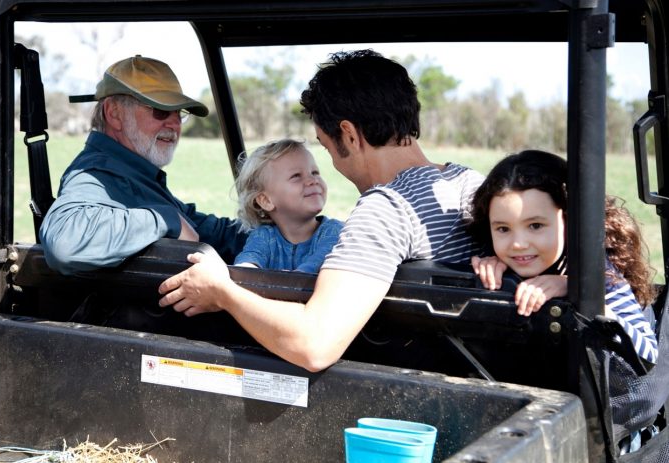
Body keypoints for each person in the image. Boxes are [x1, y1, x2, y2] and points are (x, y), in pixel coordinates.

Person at [158, 49, 484, 372]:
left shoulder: (386, 209)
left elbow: (315, 346)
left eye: (327, 148)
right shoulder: (474, 184)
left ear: (350, 136)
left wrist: (222, 292)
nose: (333, 165)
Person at [39, 55, 247, 275]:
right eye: (160, 111)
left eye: (179, 113)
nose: (174, 124)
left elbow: (200, 228)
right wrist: (165, 220)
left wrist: (273, 232)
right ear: (114, 114)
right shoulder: (98, 174)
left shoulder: (135, 174)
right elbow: (65, 242)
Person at [468, 150, 658, 364]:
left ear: (569, 220)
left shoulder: (600, 270)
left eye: (535, 226)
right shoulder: (496, 259)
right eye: (503, 229)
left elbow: (649, 355)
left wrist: (579, 291)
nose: (518, 244)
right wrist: (488, 267)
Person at [232, 138, 343, 274]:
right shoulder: (264, 236)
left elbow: (313, 268)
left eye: (315, 173)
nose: (312, 180)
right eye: (296, 176)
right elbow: (247, 264)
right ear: (266, 200)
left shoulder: (334, 232)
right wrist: (245, 270)